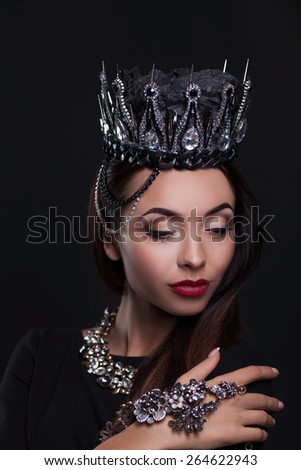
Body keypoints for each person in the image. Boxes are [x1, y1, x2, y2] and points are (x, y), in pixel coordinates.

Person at [0, 62, 284, 450]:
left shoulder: (232, 376)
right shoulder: (40, 359)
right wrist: (146, 438)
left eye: (218, 229)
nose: (195, 257)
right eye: (162, 230)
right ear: (109, 237)